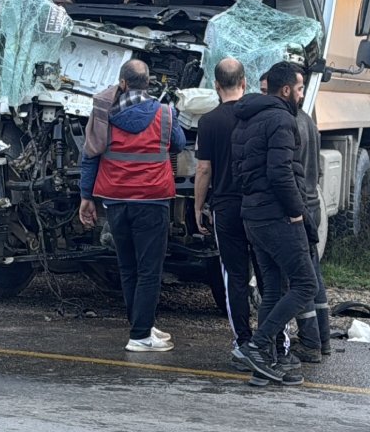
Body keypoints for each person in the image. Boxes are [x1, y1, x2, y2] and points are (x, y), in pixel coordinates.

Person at [79, 59, 186, 352]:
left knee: (128, 267)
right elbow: (178, 144)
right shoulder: (165, 114)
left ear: (123, 84)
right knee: (150, 269)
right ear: (148, 83)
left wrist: (86, 197)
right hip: (152, 199)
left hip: (115, 201)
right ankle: (140, 335)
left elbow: (89, 157)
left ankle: (143, 324)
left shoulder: (104, 116)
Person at [231, 62, 317, 386]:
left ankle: (262, 368)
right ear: (285, 90)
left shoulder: (246, 119)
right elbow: (280, 173)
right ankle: (255, 346)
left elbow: (241, 170)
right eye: (299, 89)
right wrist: (297, 212)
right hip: (277, 217)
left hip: (252, 216)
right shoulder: (282, 119)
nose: (301, 94)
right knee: (305, 284)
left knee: (273, 290)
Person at [192, 58, 257, 370]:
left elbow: (204, 170)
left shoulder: (208, 122)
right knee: (268, 272)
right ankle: (272, 339)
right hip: (259, 207)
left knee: (235, 275)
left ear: (216, 86)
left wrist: (197, 206)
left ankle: (243, 340)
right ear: (244, 82)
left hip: (226, 207)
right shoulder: (259, 118)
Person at [290, 63, 332, 362]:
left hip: (299, 210)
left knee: (299, 280)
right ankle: (324, 339)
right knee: (314, 278)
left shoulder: (289, 123)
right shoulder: (308, 121)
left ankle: (309, 343)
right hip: (312, 206)